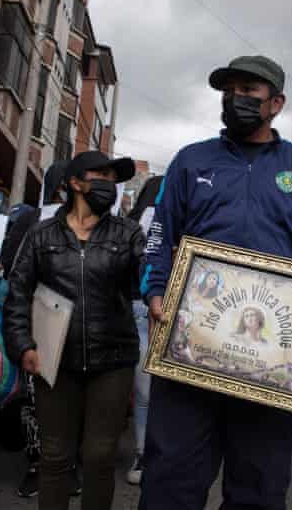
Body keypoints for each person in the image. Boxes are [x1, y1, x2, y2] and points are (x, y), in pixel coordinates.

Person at [139, 55, 292, 510]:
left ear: (276, 103)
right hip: (190, 346)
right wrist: (155, 290)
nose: (235, 99)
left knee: (258, 491)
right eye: (229, 91)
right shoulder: (190, 161)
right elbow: (160, 237)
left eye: (249, 91)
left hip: (273, 359)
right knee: (170, 483)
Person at [4, 151, 145, 510]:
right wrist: (22, 346)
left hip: (113, 359)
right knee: (54, 456)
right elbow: (17, 295)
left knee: (99, 456)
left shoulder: (129, 233)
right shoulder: (40, 235)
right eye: (99, 174)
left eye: (112, 177)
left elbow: (145, 285)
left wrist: (161, 267)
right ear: (74, 182)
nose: (108, 182)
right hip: (54, 359)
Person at [0, 160, 83, 499]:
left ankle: (69, 464)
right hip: (38, 318)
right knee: (35, 397)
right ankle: (38, 463)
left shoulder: (98, 223)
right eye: (67, 184)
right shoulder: (31, 219)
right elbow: (11, 266)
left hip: (83, 324)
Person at [124, 175, 164, 486]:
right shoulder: (137, 228)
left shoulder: (129, 225)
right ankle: (147, 451)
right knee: (149, 390)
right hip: (151, 310)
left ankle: (149, 452)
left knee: (147, 391)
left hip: (148, 309)